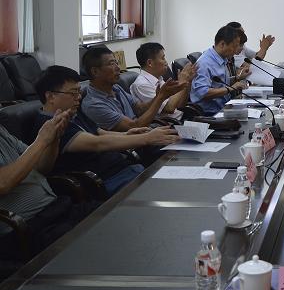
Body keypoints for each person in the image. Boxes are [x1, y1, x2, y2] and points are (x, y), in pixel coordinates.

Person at [33, 66, 180, 194]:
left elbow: (100, 133)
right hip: (104, 181)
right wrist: (146, 138)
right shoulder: (49, 125)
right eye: (73, 93)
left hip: (123, 168)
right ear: (50, 96)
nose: (78, 97)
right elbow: (97, 143)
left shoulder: (73, 113)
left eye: (79, 91)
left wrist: (127, 134)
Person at [0, 110, 98, 259]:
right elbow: (3, 183)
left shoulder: (2, 131)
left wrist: (54, 140)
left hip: (56, 208)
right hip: (27, 228)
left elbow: (41, 167)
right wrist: (42, 140)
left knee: (109, 214)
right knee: (90, 246)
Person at [80, 46, 185, 131]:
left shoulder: (116, 88)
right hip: (130, 145)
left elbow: (140, 109)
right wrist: (160, 98)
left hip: (145, 133)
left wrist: (158, 97)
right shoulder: (93, 104)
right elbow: (133, 126)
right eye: (111, 64)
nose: (118, 68)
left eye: (116, 63)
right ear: (95, 71)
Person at [191, 25, 248, 115]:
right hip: (210, 113)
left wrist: (237, 78)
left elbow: (219, 83)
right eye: (234, 46)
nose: (236, 51)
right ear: (222, 44)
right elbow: (202, 93)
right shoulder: (205, 63)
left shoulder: (222, 58)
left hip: (224, 107)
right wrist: (231, 88)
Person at [131, 42, 197, 119]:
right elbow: (169, 108)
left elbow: (180, 105)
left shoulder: (159, 78)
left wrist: (187, 83)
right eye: (163, 58)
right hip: (168, 124)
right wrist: (182, 81)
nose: (166, 62)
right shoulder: (142, 85)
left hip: (181, 119)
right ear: (150, 63)